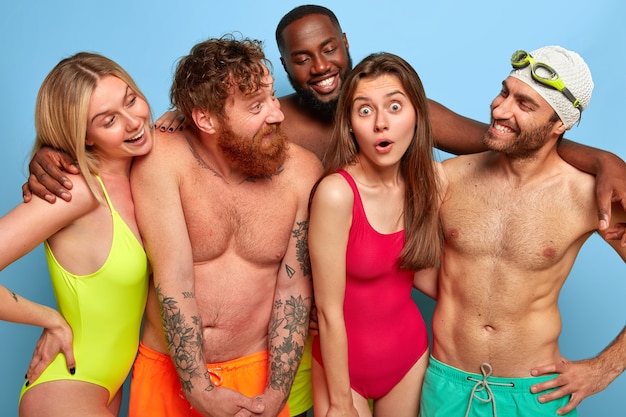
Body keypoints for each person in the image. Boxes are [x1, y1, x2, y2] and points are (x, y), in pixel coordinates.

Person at [20, 5, 626, 414]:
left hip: (431, 368)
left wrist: (603, 161)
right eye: (301, 59)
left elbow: (505, 139)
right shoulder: (186, 143)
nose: (319, 67)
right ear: (284, 69)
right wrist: (57, 148)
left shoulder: (416, 157)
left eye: (330, 49)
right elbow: (168, 259)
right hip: (403, 373)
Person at [421, 45, 626, 417]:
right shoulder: (447, 179)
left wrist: (603, 369)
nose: (499, 110)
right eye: (504, 92)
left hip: (535, 397)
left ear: (560, 124)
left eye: (524, 105)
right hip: (446, 386)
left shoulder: (588, 197)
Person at [127, 35, 322, 417]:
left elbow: (293, 290)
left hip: (257, 373)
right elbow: (175, 280)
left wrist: (276, 393)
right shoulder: (160, 159)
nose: (276, 114)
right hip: (167, 373)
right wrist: (197, 388)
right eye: (256, 106)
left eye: (272, 98)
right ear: (206, 119)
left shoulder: (302, 171)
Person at [1, 52, 152, 416]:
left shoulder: (143, 175)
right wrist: (49, 319)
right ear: (83, 136)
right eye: (109, 120)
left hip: (107, 387)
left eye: (131, 99)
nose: (134, 122)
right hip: (65, 390)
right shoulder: (75, 191)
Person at [308, 52, 440, 417]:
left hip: (408, 357)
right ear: (349, 123)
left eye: (395, 107)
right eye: (365, 111)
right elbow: (328, 310)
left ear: (417, 115)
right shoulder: (337, 193)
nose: (381, 123)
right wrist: (338, 403)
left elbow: (422, 276)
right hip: (342, 373)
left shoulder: (427, 182)